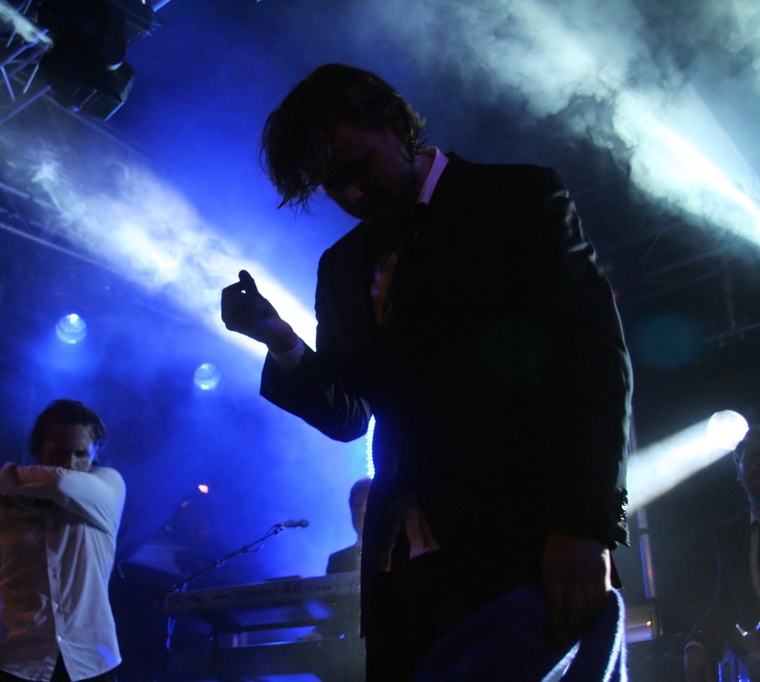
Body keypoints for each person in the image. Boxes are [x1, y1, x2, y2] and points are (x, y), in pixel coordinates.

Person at [220, 63, 632, 680]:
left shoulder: (515, 199)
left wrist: (583, 524)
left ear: (394, 123)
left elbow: (592, 363)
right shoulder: (341, 266)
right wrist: (279, 338)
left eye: (356, 169)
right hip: (401, 576)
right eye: (334, 186)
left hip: (523, 547)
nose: (352, 197)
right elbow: (347, 416)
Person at [0, 399, 126, 682]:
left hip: (90, 662)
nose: (71, 464)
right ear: (38, 449)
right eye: (59, 453)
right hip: (12, 660)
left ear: (96, 451)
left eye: (81, 454)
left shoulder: (107, 488)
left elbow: (61, 483)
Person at [685, 429, 760, 682]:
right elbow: (725, 600)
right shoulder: (730, 536)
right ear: (738, 471)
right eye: (753, 455)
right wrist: (697, 642)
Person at [327, 477, 371, 575]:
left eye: (367, 504)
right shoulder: (336, 561)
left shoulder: (398, 552)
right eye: (356, 506)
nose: (361, 511)